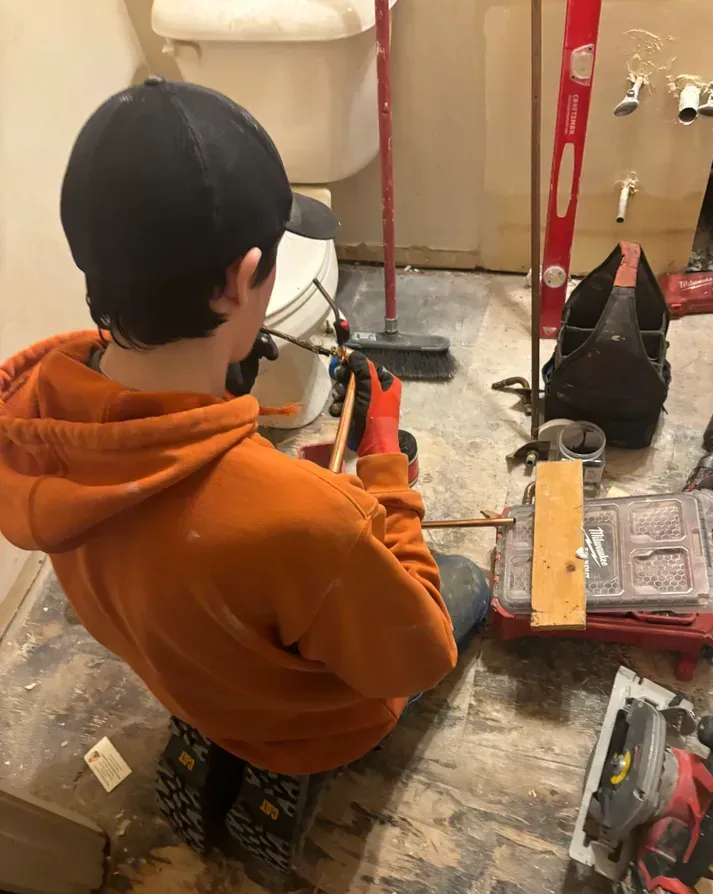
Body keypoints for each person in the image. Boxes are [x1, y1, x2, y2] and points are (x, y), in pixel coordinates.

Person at [0, 79, 490, 778]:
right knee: (461, 585)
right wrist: (383, 470)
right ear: (242, 278)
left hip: (193, 683)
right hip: (320, 731)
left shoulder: (38, 420)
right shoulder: (315, 520)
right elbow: (420, 657)